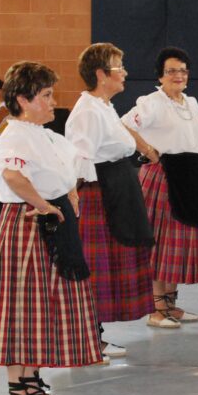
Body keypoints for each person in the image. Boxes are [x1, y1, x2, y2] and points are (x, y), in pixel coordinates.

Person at [0, 61, 102, 395]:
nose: (51, 101)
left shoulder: (43, 134)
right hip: (27, 225)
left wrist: (69, 194)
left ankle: (34, 388)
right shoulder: (14, 135)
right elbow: (13, 175)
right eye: (45, 96)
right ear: (23, 100)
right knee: (21, 308)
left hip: (50, 223)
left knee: (41, 308)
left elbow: (65, 166)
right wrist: (44, 206)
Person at [65, 44, 155, 358]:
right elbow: (78, 159)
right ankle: (86, 339)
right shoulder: (87, 110)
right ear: (102, 74)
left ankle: (94, 337)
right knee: (95, 269)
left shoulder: (103, 105)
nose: (125, 72)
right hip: (99, 194)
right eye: (119, 67)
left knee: (107, 269)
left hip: (116, 188)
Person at [122, 47, 198, 329]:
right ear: (160, 76)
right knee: (159, 243)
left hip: (190, 177)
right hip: (162, 176)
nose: (178, 75)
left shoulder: (191, 103)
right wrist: (147, 149)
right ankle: (155, 307)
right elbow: (124, 125)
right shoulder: (151, 102)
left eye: (183, 70)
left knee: (176, 243)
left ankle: (170, 304)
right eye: (171, 71)